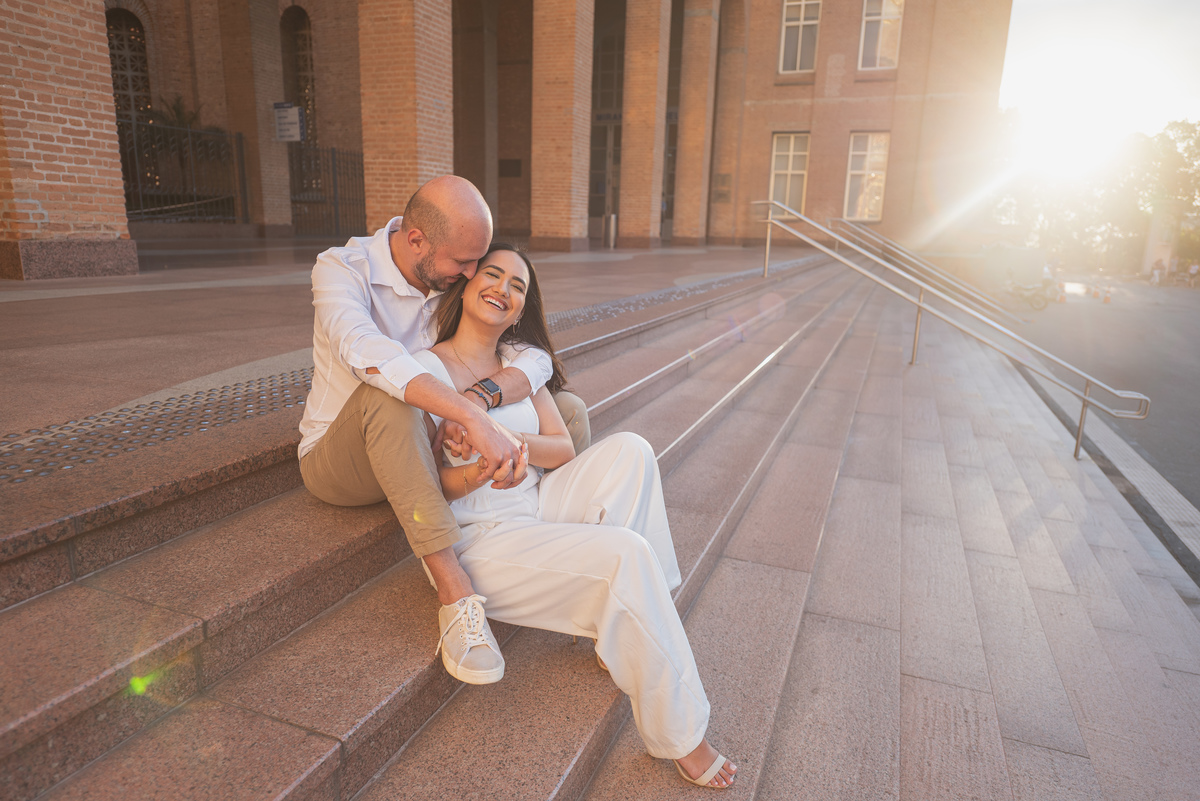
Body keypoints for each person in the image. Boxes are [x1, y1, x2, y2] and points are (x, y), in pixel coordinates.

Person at [413, 242, 738, 789]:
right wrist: (481, 470)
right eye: (494, 276)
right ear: (466, 287)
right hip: (481, 535)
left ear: (520, 308)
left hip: (537, 499)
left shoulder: (519, 363)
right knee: (624, 554)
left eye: (518, 286)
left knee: (631, 448)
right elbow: (425, 486)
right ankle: (683, 734)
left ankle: (642, 622)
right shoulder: (425, 369)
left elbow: (561, 448)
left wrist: (507, 442)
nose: (504, 289)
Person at [297, 176, 590, 687]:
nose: (474, 274)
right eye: (465, 262)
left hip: (431, 438)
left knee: (568, 410)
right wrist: (472, 418)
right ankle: (456, 596)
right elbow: (366, 351)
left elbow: (534, 355)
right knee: (389, 400)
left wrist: (481, 399)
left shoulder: (447, 277)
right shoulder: (342, 270)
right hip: (342, 458)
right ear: (417, 242)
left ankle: (565, 550)